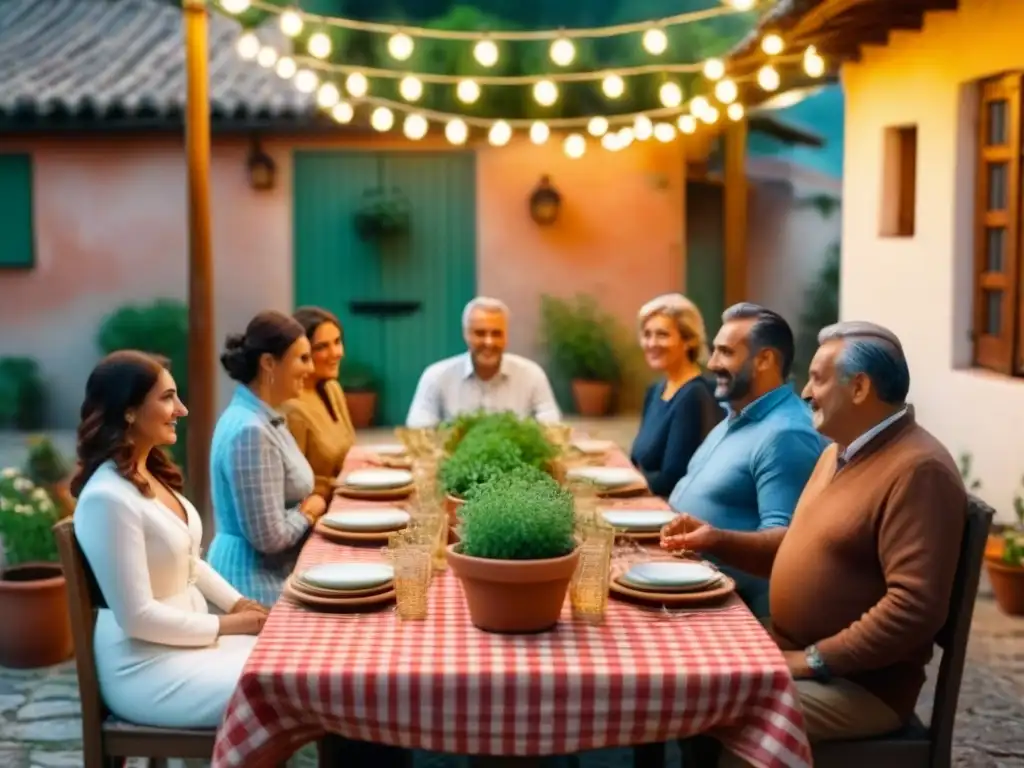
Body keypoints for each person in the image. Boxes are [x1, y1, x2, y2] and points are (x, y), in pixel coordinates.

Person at [663, 321, 966, 756]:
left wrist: (814, 660)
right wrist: (717, 540)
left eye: (818, 379)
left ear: (859, 387)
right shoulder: (837, 451)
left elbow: (913, 607)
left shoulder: (918, 470)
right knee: (688, 669)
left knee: (728, 706)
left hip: (858, 688)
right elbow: (796, 547)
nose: (805, 392)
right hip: (795, 651)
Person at [71, 350, 266, 729]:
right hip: (147, 669)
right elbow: (137, 618)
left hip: (192, 647)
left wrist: (241, 604)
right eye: (167, 398)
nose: (182, 409)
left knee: (292, 662)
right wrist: (233, 624)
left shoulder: (146, 473)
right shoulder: (106, 498)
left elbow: (191, 564)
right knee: (282, 685)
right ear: (128, 411)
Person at [666, 303, 827, 617]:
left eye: (725, 352)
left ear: (764, 359)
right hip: (687, 584)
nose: (712, 363)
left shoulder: (787, 434)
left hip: (735, 611)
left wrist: (714, 541)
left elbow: (787, 548)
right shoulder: (737, 414)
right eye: (714, 351)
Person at [208, 310, 324, 605]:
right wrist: (310, 510)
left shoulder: (259, 416)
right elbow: (270, 538)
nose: (310, 369)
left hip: (266, 573)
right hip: (251, 584)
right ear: (269, 363)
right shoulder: (251, 430)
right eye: (302, 358)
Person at [406, 297, 561, 427]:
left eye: (496, 333)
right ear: (466, 334)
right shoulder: (436, 376)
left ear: (506, 336)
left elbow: (552, 430)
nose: (489, 342)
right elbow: (418, 431)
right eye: (480, 333)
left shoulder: (532, 375)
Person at [630, 293, 723, 498]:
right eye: (647, 334)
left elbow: (672, 479)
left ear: (689, 340)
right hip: (645, 503)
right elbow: (637, 458)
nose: (652, 343)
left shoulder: (693, 395)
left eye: (662, 334)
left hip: (671, 514)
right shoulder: (655, 390)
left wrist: (630, 476)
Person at [282, 306, 356, 501]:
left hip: (345, 500)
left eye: (337, 342)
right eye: (322, 347)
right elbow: (291, 488)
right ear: (300, 353)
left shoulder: (332, 389)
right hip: (314, 515)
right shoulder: (291, 409)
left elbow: (347, 455)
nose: (337, 353)